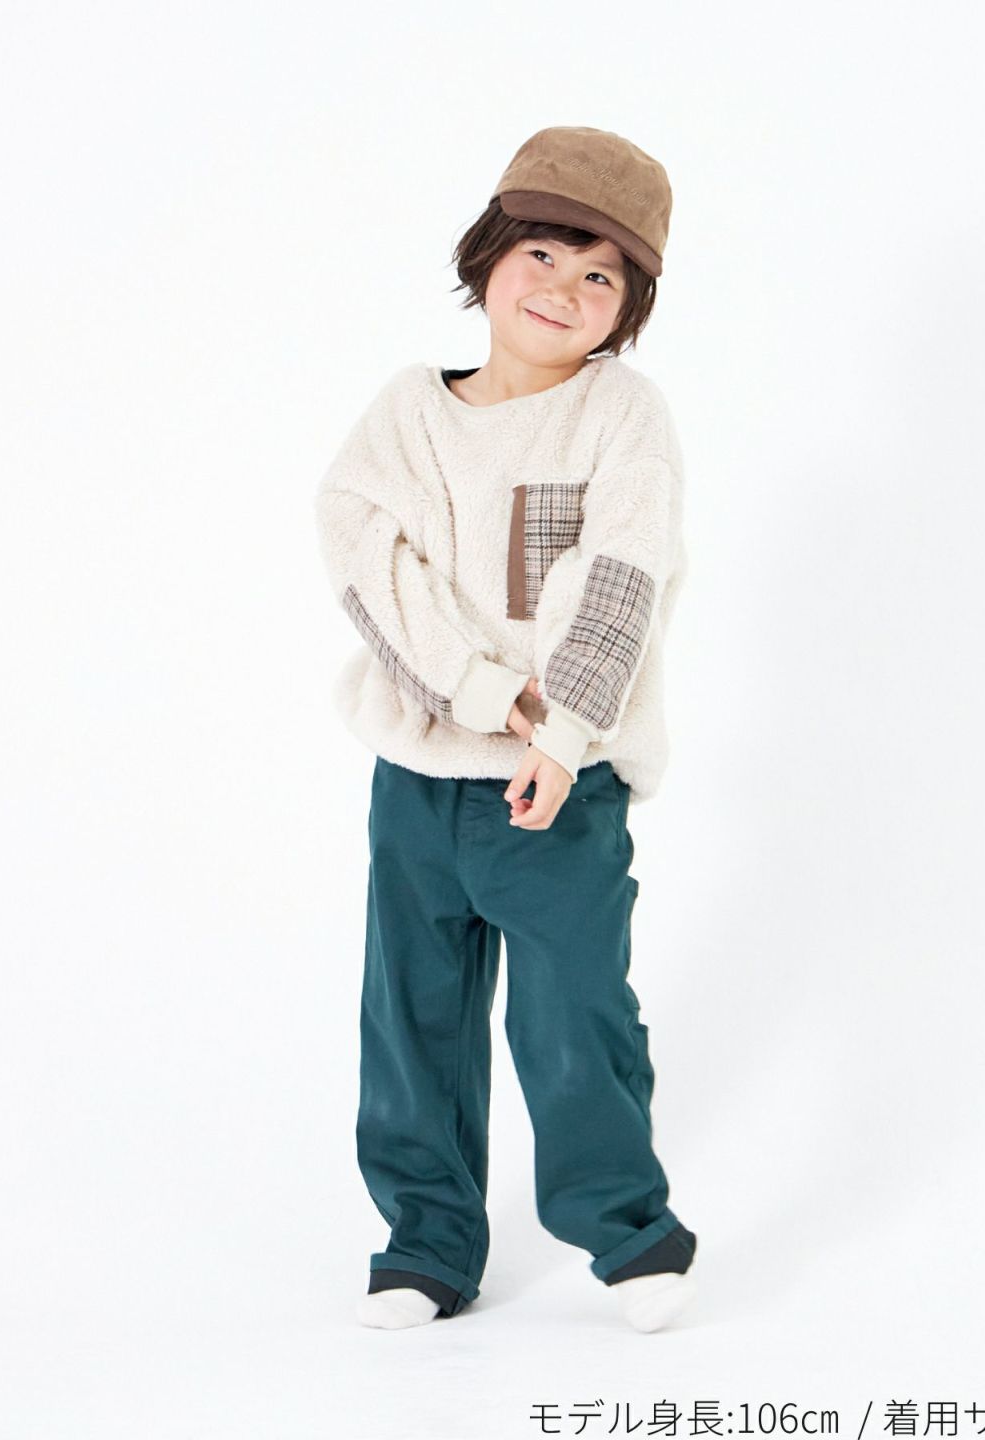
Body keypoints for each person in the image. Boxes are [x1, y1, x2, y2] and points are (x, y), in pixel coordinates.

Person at [314, 126, 697, 1333]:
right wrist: (478, 693)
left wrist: (559, 734)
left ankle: (630, 1234)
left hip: (560, 781)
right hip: (421, 775)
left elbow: (621, 576)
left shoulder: (619, 416)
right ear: (487, 255)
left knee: (573, 1011)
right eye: (543, 254)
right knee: (413, 1013)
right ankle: (425, 1246)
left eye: (601, 276)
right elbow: (369, 559)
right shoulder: (406, 417)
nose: (563, 290)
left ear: (628, 307)